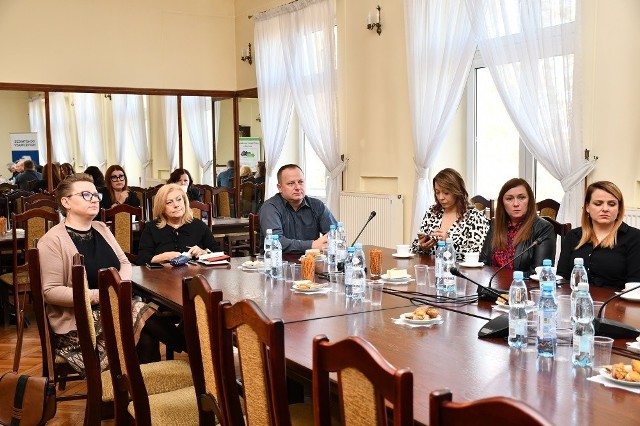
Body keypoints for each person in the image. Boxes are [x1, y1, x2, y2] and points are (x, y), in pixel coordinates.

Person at [38, 174, 184, 371]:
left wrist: (118, 289)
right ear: (66, 202)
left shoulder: (101, 228)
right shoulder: (52, 240)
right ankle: (192, 345)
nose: (94, 200)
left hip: (115, 310)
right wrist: (102, 296)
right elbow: (50, 291)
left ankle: (140, 398)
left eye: (96, 195)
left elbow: (124, 263)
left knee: (146, 335)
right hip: (79, 326)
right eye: (85, 195)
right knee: (136, 309)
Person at [557, 181, 640, 289]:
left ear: (619, 209)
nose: (605, 209)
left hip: (616, 303)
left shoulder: (634, 237)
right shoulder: (573, 236)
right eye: (598, 203)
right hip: (576, 300)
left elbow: (635, 285)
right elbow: (562, 277)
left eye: (611, 204)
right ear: (587, 207)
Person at [479, 178, 555, 276]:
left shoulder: (543, 228)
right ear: (502, 203)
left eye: (521, 198)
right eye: (509, 199)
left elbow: (539, 273)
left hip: (523, 288)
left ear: (530, 201)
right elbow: (483, 262)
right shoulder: (496, 224)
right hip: (492, 287)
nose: (516, 204)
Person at [410, 168, 489, 261]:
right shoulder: (432, 212)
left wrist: (449, 244)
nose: (440, 197)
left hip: (460, 273)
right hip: (433, 270)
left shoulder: (475, 217)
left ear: (457, 191)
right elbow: (413, 249)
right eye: (437, 192)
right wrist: (422, 246)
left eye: (446, 193)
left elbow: (478, 255)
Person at [259, 164, 336, 254]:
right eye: (291, 183)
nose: (298, 187)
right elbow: (276, 242)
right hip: (278, 263)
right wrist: (312, 245)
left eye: (300, 182)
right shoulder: (270, 208)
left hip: (311, 262)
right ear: (280, 188)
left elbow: (334, 235)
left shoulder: (317, 205)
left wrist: (328, 242)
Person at [137, 183, 220, 265]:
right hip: (162, 276)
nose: (176, 205)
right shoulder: (151, 228)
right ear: (161, 207)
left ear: (184, 201)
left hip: (194, 276)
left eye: (179, 199)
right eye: (169, 202)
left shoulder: (199, 225)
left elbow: (218, 253)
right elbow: (141, 259)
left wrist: (203, 253)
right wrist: (163, 257)